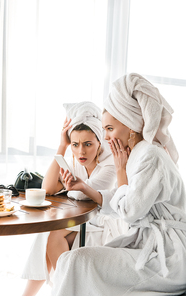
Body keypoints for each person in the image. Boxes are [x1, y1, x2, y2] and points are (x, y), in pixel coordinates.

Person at [51, 73, 186, 296]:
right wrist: (83, 187)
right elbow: (123, 199)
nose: (105, 137)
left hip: (169, 258)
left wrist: (121, 171)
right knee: (67, 260)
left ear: (131, 126)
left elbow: (130, 211)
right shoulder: (138, 155)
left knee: (78, 261)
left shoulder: (150, 156)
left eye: (110, 129)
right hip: (149, 246)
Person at [22, 101, 128, 296]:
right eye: (75, 144)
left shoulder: (110, 163)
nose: (81, 152)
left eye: (88, 144)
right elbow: (48, 188)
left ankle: (62, 289)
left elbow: (81, 193)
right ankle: (50, 291)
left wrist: (70, 187)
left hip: (106, 221)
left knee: (53, 235)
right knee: (46, 235)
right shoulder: (72, 158)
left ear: (99, 142)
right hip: (81, 219)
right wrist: (62, 146)